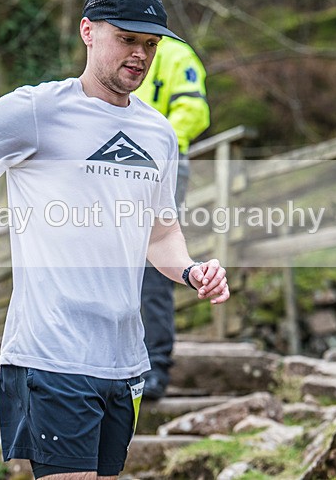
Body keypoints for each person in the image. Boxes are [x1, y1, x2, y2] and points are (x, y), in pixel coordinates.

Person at [0, 0, 229, 480]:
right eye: (127, 39)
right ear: (88, 31)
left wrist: (192, 272)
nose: (140, 55)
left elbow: (161, 236)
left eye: (150, 44)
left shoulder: (160, 133)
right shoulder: (37, 110)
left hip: (124, 362)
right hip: (52, 353)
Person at [132, 38, 211, 400]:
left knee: (153, 261)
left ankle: (156, 365)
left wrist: (153, 145)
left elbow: (194, 112)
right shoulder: (117, 51)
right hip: (115, 164)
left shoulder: (177, 55)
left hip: (161, 164)